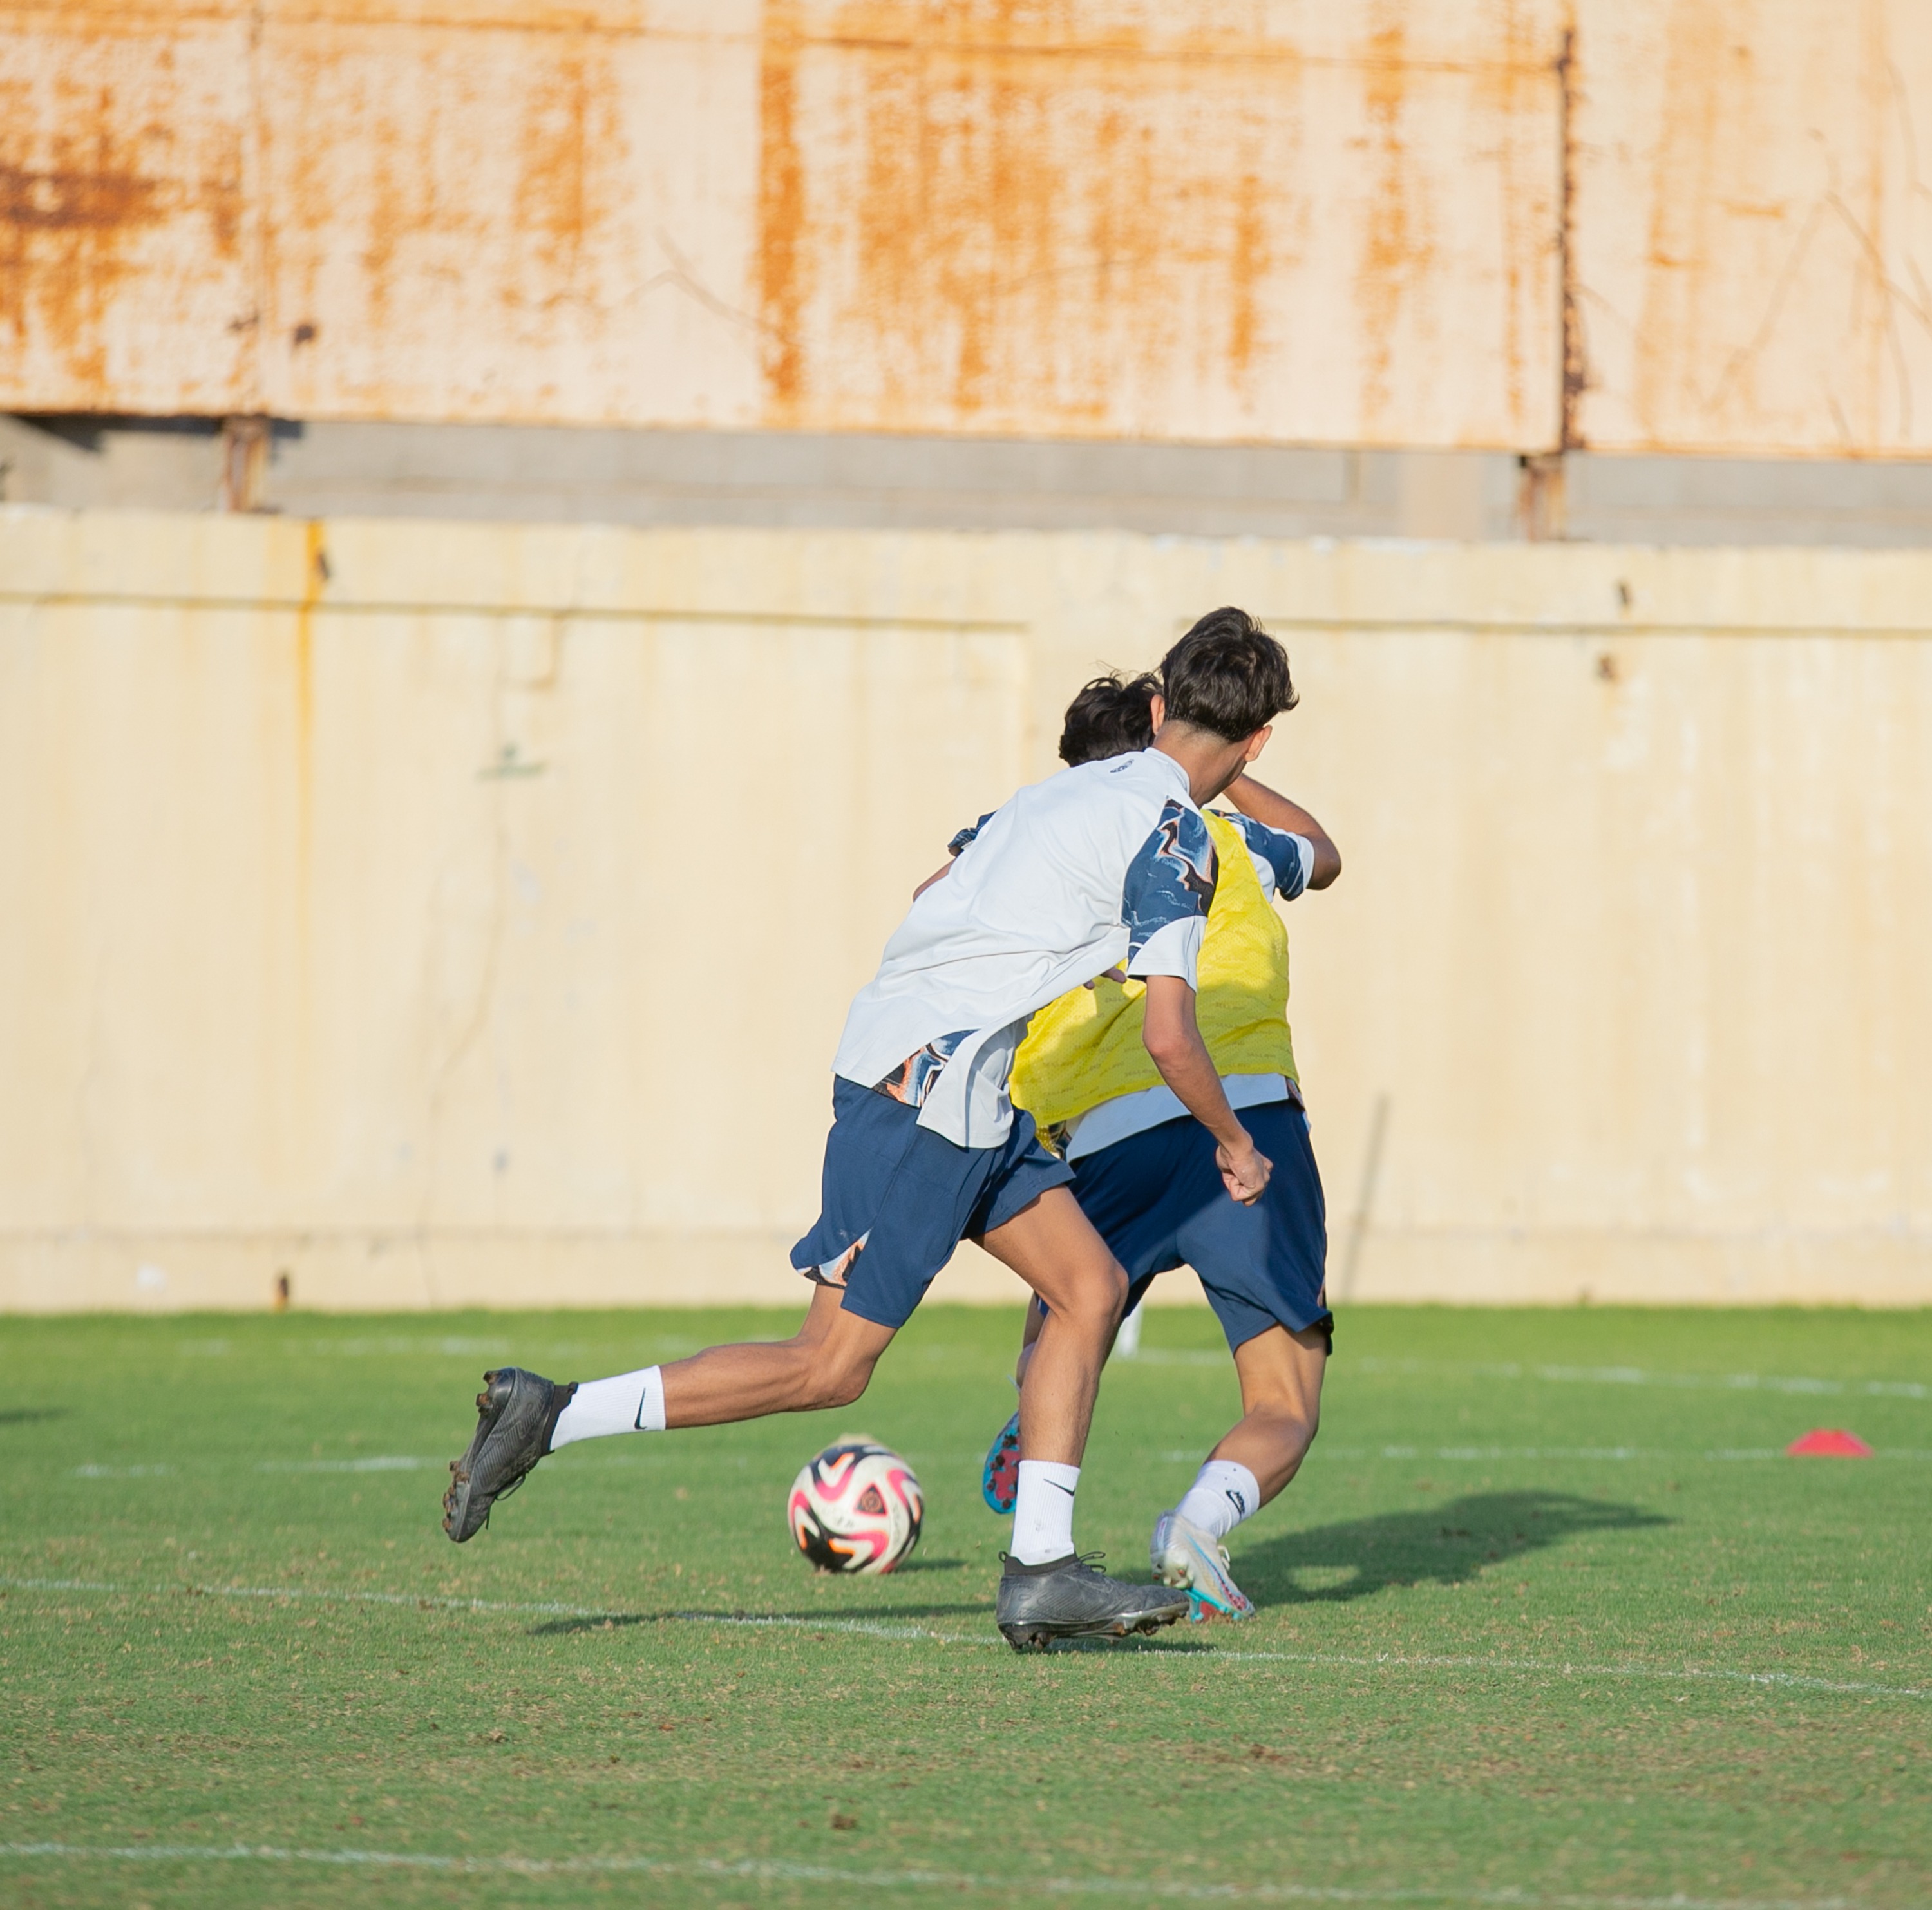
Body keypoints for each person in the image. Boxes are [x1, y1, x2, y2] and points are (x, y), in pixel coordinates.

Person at [440, 609, 1301, 1651]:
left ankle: (1041, 1571)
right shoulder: (1175, 840)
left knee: (1089, 1286)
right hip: (926, 1087)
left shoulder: (1064, 789)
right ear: (1257, 743)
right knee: (829, 1366)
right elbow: (1172, 1035)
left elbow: (940, 888)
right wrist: (1235, 1142)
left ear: (1158, 705)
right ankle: (555, 1412)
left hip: (958, 1080)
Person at [968, 641, 1341, 1621]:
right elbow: (1327, 854)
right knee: (1283, 1401)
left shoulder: (1038, 838)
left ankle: (1032, 1430)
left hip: (1101, 1134)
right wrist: (1231, 768)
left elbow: (940, 893)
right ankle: (1198, 1523)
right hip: (1243, 1112)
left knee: (1064, 1312)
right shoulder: (1226, 839)